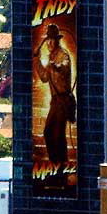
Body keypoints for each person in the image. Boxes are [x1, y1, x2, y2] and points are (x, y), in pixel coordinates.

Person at [33, 23, 73, 166]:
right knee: (49, 132)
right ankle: (55, 162)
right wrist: (37, 59)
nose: (49, 43)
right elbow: (44, 77)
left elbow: (65, 65)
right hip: (55, 101)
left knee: (57, 133)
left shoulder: (62, 54)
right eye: (48, 40)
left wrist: (56, 66)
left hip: (63, 100)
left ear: (56, 40)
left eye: (51, 40)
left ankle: (61, 162)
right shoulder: (51, 58)